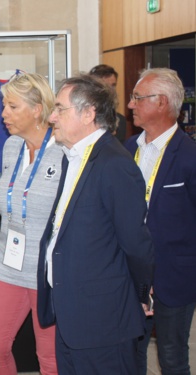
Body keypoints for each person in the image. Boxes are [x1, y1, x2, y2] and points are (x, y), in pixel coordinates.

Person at [36, 75, 155, 374]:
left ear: (88, 113)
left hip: (103, 320)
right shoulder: (72, 157)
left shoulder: (114, 164)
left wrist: (141, 294)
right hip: (72, 314)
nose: (52, 117)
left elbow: (135, 243)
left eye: (60, 109)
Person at [0, 72, 60, 375]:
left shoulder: (65, 151)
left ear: (37, 109)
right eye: (4, 106)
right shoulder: (12, 146)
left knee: (49, 357)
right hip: (7, 262)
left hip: (48, 270)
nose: (3, 114)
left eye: (12, 107)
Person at [125, 68, 196, 375]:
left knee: (172, 357)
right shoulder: (126, 150)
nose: (130, 105)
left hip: (173, 277)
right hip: (128, 275)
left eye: (138, 98)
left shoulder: (190, 156)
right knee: (129, 353)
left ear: (162, 103)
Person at [89, 64, 127, 142]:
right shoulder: (82, 118)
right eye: (105, 85)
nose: (110, 90)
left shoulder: (121, 121)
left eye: (113, 85)